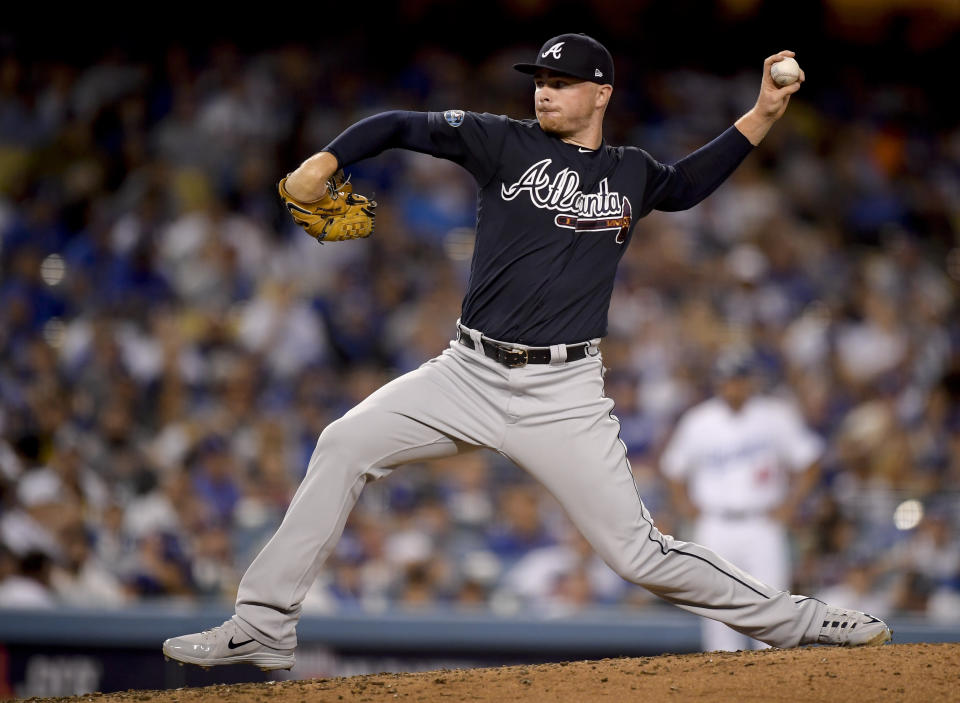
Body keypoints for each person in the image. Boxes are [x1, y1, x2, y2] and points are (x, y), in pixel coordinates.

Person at [163, 34, 890, 671]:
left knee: (637, 551)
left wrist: (763, 112)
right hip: (466, 371)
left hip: (564, 392)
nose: (543, 90)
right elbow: (396, 123)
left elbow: (688, 185)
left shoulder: (632, 171)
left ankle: (800, 621)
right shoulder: (501, 142)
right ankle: (262, 624)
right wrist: (327, 157)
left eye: (560, 81)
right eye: (538, 80)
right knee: (343, 442)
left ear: (600, 92)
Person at [661, 348, 824, 652]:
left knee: (771, 604)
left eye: (738, 379)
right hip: (715, 523)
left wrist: (791, 503)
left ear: (750, 382)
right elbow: (673, 468)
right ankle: (723, 686)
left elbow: (810, 459)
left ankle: (772, 684)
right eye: (726, 380)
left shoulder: (774, 416)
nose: (732, 386)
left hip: (762, 522)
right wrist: (684, 505)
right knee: (717, 607)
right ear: (718, 383)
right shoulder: (699, 421)